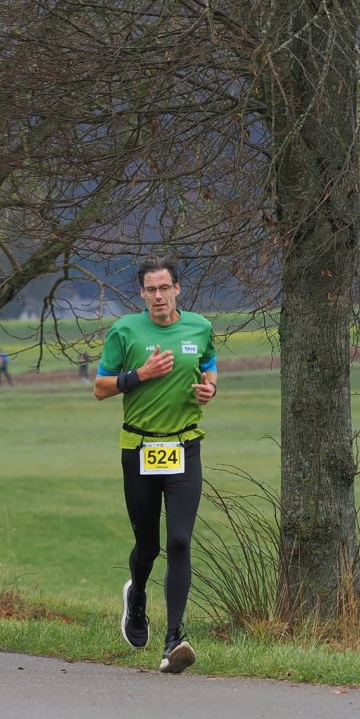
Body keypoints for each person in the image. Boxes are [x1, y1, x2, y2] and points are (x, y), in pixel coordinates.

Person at [93, 257, 217, 674]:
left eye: (165, 288)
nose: (159, 296)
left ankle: (174, 640)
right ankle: (137, 599)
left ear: (177, 289)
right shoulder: (125, 331)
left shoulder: (199, 327)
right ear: (142, 294)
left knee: (179, 540)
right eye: (151, 289)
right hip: (140, 447)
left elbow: (209, 367)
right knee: (148, 547)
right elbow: (100, 388)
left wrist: (209, 389)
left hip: (185, 447)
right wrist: (140, 375)